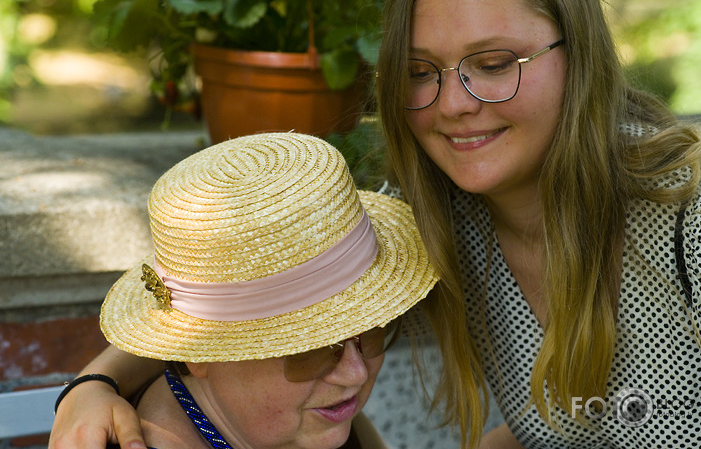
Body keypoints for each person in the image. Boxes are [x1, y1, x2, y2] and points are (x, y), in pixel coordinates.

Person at [50, 0, 701, 448]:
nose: (452, 102)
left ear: (579, 57)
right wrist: (90, 387)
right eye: (421, 71)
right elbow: (229, 302)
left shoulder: (696, 215)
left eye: (491, 62)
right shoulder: (442, 218)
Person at [52, 132, 439, 449]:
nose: (354, 373)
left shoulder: (325, 419)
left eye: (370, 331)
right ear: (196, 353)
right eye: (312, 349)